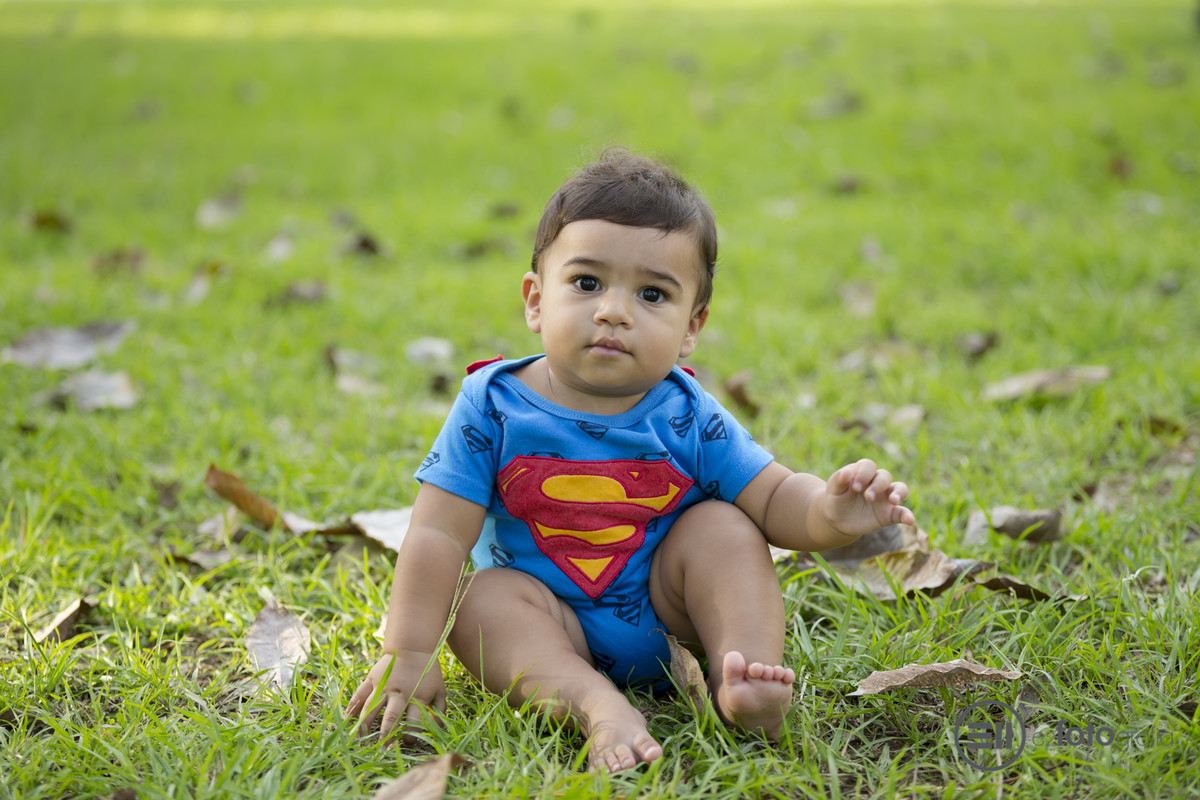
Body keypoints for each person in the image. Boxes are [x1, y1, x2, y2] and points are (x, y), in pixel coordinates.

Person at [345, 149, 916, 773]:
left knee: (724, 527)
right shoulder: (492, 406)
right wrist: (408, 650)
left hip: (667, 616)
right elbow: (435, 532)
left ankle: (742, 679)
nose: (615, 311)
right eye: (587, 283)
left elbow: (775, 499)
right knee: (483, 599)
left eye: (652, 293)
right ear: (536, 300)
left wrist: (829, 513)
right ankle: (596, 703)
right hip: (547, 626)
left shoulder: (686, 412)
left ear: (691, 327)